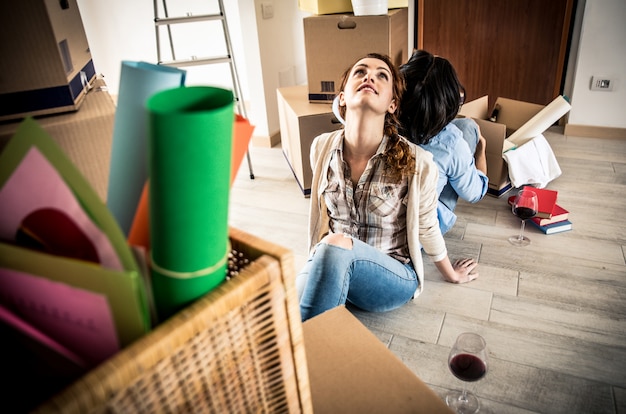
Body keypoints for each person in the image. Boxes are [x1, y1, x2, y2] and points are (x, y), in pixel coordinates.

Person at [296, 53, 479, 322]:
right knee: (283, 308)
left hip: (391, 277)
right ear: (342, 97)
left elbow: (427, 226)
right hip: (332, 257)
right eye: (360, 71)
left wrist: (451, 273)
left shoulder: (419, 162)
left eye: (382, 75)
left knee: (333, 246)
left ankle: (313, 356)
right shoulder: (321, 147)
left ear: (392, 104)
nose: (369, 76)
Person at [399, 50, 488, 235]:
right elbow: (475, 194)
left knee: (464, 126)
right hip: (421, 233)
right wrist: (481, 151)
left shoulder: (381, 120)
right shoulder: (452, 143)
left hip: (387, 221)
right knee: (468, 127)